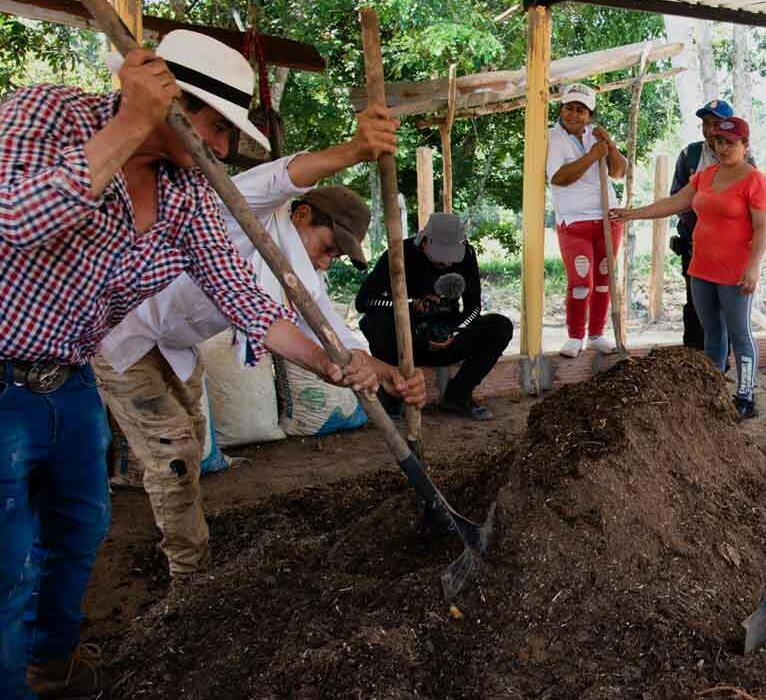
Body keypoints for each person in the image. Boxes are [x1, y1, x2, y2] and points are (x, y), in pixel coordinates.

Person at [0, 31, 379, 699]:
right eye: (213, 127)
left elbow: (244, 299)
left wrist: (329, 361)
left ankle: (49, 663)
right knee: (7, 563)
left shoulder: (189, 193)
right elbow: (16, 220)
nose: (224, 148)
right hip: (8, 382)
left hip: (73, 377)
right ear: (163, 97)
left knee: (79, 530)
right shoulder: (43, 114)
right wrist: (128, 125)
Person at [95, 110, 427, 582]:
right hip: (127, 333)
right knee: (175, 453)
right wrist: (354, 151)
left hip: (176, 347)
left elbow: (336, 341)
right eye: (329, 245)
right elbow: (284, 174)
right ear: (303, 213)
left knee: (189, 443)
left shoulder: (304, 281)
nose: (328, 260)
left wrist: (393, 376)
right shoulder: (248, 209)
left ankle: (189, 540)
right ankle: (189, 574)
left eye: (336, 256)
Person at [613, 117, 766, 418]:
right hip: (701, 268)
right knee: (711, 331)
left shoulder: (756, 182)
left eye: (730, 142)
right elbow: (675, 203)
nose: (723, 148)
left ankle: (746, 395)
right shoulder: (706, 175)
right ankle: (712, 390)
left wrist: (753, 267)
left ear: (745, 144)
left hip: (735, 271)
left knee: (740, 332)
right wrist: (632, 214)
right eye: (719, 142)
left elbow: (763, 230)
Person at [356, 213, 514, 421]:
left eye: (451, 257)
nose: (447, 263)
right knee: (374, 322)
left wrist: (455, 332)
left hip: (448, 336)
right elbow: (365, 301)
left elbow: (474, 308)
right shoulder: (399, 253)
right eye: (440, 257)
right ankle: (393, 393)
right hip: (407, 341)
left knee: (499, 326)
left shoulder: (467, 255)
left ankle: (458, 395)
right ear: (423, 242)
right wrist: (411, 305)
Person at [546, 83, 629, 358]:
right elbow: (559, 177)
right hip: (574, 222)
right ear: (561, 109)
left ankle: (596, 334)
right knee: (581, 282)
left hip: (606, 219)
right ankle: (575, 335)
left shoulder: (596, 136)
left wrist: (610, 145)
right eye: (569, 108)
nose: (573, 114)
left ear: (590, 115)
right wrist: (591, 157)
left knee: (604, 279)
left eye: (581, 110)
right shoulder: (551, 138)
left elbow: (618, 172)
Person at [670, 99, 756, 353]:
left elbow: (754, 215)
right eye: (706, 125)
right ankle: (695, 362)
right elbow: (678, 197)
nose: (710, 131)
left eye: (716, 125)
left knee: (731, 315)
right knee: (697, 307)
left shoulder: (748, 165)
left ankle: (727, 370)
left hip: (731, 251)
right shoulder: (690, 155)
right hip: (694, 244)